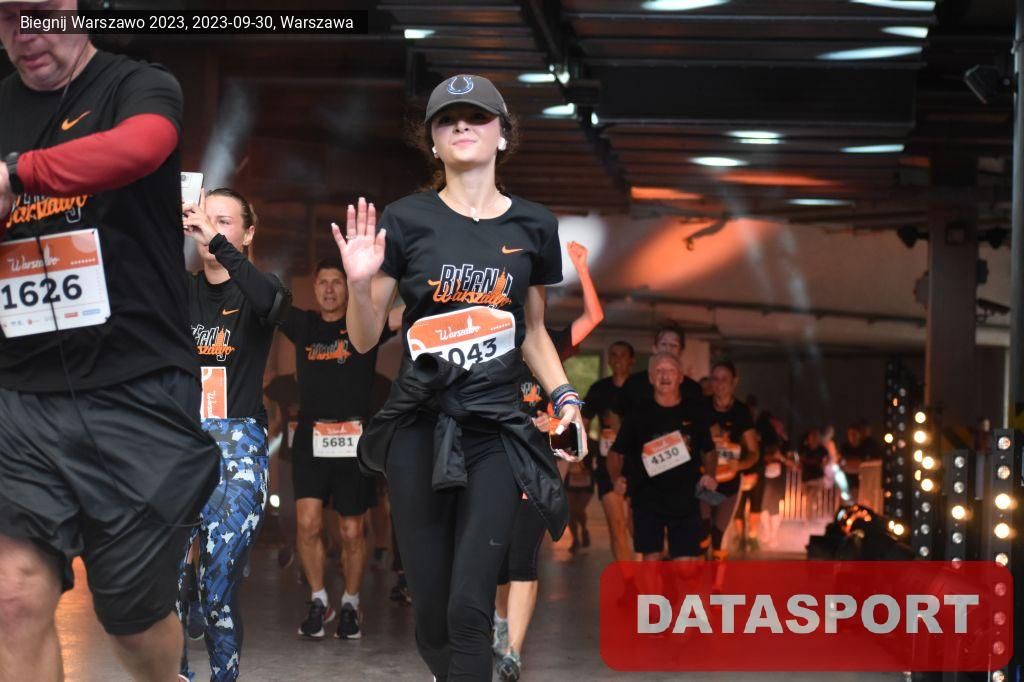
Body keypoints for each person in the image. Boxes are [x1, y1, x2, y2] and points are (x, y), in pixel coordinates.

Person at [0, 2, 221, 679]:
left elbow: (140, 147)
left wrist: (18, 174)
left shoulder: (138, 84)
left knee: (130, 617)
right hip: (20, 394)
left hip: (137, 389)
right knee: (13, 597)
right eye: (7, 19)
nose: (25, 33)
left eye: (40, 14)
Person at [339, 74, 585, 681]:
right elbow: (365, 338)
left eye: (476, 117)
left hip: (495, 429)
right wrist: (358, 285)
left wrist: (566, 397)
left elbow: (532, 332)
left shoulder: (533, 225)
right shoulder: (405, 219)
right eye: (448, 120)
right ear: (433, 141)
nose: (462, 127)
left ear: (503, 135)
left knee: (469, 609)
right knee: (432, 618)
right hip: (419, 428)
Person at [178, 188, 290, 680]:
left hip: (238, 448)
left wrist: (218, 245)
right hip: (178, 445)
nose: (210, 227)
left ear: (247, 233)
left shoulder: (260, 291)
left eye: (223, 221)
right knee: (166, 586)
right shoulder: (178, 290)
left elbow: (272, 301)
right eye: (204, 218)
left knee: (217, 586)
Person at [492, 239, 603, 681]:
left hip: (533, 470)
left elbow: (593, 318)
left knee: (522, 559)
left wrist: (582, 267)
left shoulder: (550, 345)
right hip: (491, 465)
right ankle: (500, 621)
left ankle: (513, 653)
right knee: (496, 563)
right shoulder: (490, 344)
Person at [278, 256, 396, 640]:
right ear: (314, 288)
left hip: (354, 441)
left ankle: (350, 602)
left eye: (337, 282)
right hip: (311, 438)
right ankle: (318, 600)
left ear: (347, 288)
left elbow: (406, 311)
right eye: (323, 282)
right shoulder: (304, 325)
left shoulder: (365, 325)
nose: (329, 289)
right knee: (308, 524)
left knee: (351, 530)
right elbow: (262, 298)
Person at [609, 353, 716, 562]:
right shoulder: (638, 413)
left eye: (670, 370)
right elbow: (615, 453)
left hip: (685, 498)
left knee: (685, 567)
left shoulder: (694, 412)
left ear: (680, 377)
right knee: (651, 562)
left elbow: (709, 450)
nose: (664, 375)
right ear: (650, 378)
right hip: (646, 498)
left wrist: (710, 474)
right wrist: (616, 478)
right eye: (659, 370)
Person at [581, 340, 636, 562]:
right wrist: (584, 453)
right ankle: (627, 578)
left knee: (636, 526)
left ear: (631, 360)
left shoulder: (641, 388)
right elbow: (583, 422)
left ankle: (646, 573)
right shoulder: (599, 389)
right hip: (606, 464)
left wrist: (620, 426)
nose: (617, 359)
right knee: (616, 525)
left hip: (637, 464)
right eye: (613, 354)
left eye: (623, 355)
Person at [701, 361, 758, 560]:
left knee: (718, 536)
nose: (719, 384)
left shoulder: (741, 412)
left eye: (724, 379)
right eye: (715, 379)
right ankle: (699, 574)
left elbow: (754, 453)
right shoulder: (702, 407)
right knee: (702, 532)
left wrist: (739, 465)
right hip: (704, 480)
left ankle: (717, 577)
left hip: (729, 483)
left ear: (734, 381)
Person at [615, 324, 702, 418]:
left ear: (681, 351)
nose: (668, 349)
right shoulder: (634, 384)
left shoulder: (692, 389)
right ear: (655, 348)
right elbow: (616, 416)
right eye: (663, 344)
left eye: (674, 345)